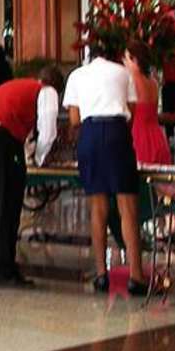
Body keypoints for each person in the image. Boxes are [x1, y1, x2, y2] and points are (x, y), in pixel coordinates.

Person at [0, 64, 64, 288]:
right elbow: (48, 132)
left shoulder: (18, 86)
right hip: (0, 140)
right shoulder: (47, 91)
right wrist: (39, 158)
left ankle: (0, 264)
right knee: (7, 203)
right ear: (56, 87)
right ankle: (4, 270)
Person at [64, 45, 148, 295]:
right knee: (127, 208)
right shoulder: (123, 73)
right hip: (116, 132)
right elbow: (132, 111)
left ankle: (101, 275)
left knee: (97, 208)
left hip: (90, 135)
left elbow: (74, 120)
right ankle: (136, 276)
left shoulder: (77, 75)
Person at [126, 43, 172, 166]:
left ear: (135, 60)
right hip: (156, 135)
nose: (124, 63)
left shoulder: (132, 80)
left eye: (126, 58)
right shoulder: (153, 82)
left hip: (138, 136)